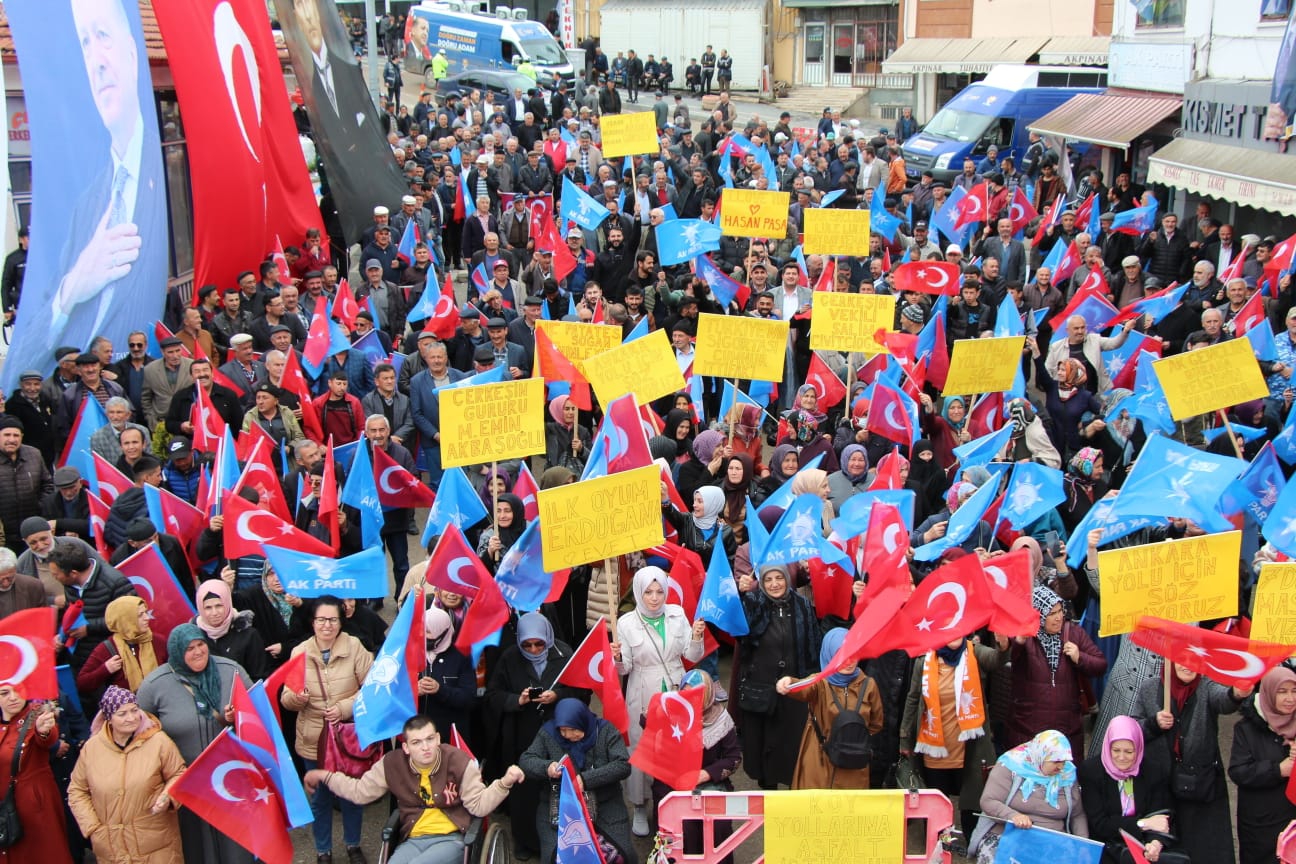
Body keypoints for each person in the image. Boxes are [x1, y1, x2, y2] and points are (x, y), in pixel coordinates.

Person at [42, 0, 166, 355]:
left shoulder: (158, 183)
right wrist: (69, 292)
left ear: (131, 51)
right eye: (85, 43)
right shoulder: (88, 205)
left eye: (102, 36)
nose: (96, 61)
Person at [303, 715, 524, 864]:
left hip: (452, 839)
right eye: (417, 742)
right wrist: (326, 775)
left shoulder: (458, 761)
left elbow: (478, 805)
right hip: (413, 838)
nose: (426, 747)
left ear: (438, 739)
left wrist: (504, 782)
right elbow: (360, 792)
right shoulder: (392, 764)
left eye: (430, 739)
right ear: (406, 747)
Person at [136, 622, 253, 864]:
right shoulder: (154, 686)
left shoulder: (231, 671)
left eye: (201, 645)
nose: (198, 651)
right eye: (189, 648)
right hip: (187, 784)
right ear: (177, 651)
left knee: (237, 847)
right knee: (196, 848)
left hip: (231, 779)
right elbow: (142, 737)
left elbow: (259, 718)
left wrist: (238, 717)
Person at [612, 567, 705, 836]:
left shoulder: (677, 615)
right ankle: (640, 806)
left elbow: (691, 654)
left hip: (676, 688)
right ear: (639, 593)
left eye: (659, 591)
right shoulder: (626, 622)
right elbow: (625, 669)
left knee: (677, 746)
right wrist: (616, 657)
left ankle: (676, 800)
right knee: (642, 750)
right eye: (648, 592)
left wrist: (697, 636)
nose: (654, 597)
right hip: (643, 692)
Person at [280, 596, 373, 863]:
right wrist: (297, 699)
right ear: (312, 622)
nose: (327, 625)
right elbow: (287, 697)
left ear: (341, 621)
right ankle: (323, 850)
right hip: (313, 738)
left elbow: (372, 689)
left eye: (333, 619)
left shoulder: (354, 647)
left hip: (347, 738)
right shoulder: (299, 652)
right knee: (320, 799)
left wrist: (344, 708)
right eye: (321, 620)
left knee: (351, 796)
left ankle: (353, 845)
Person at [485, 612, 577, 859]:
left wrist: (558, 695)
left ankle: (561, 839)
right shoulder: (509, 658)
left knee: (557, 786)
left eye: (539, 644)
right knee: (524, 789)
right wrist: (518, 699)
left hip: (558, 731)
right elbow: (493, 695)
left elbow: (581, 690)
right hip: (521, 733)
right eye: (527, 645)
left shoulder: (563, 653)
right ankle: (524, 841)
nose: (534, 650)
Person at [1134, 661, 1244, 864]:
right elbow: (1133, 728)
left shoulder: (1206, 686)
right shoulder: (1149, 688)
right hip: (1162, 784)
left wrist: (1236, 693)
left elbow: (1224, 701)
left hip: (1202, 786)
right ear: (1171, 662)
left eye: (1194, 660)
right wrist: (1154, 723)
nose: (1188, 666)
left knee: (1205, 850)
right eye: (1182, 661)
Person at [899, 635, 1007, 837]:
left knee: (971, 800)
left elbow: (996, 659)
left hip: (968, 748)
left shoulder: (974, 652)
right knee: (937, 800)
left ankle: (972, 842)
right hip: (934, 747)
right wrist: (904, 738)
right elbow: (912, 699)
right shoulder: (924, 660)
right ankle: (938, 845)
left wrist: (1003, 645)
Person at [68, 687, 183, 864]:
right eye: (122, 714)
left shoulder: (159, 742)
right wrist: (93, 828)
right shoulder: (92, 749)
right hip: (111, 848)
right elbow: (77, 791)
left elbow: (179, 774)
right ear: (109, 719)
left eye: (134, 710)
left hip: (156, 844)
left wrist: (168, 796)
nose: (131, 718)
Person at [519, 698, 636, 864]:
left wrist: (586, 779)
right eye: (563, 730)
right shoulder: (548, 733)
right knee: (557, 857)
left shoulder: (604, 731)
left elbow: (623, 765)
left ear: (583, 721)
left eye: (573, 729)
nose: (568, 735)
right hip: (559, 806)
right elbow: (526, 760)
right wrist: (547, 767)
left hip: (605, 804)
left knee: (622, 854)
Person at [736, 565, 821, 790]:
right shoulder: (753, 603)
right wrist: (742, 594)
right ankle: (769, 788)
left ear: (787, 579)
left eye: (779, 578)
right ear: (761, 582)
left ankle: (793, 788)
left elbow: (814, 642)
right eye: (769, 579)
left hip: (795, 688)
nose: (774, 584)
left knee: (793, 741)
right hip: (762, 688)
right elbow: (739, 632)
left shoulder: (802, 605)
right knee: (766, 744)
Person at [776, 627, 884, 789]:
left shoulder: (869, 685)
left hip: (853, 764)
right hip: (819, 763)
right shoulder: (820, 683)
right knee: (815, 809)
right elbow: (802, 688)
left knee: (849, 811)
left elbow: (876, 724)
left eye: (853, 654)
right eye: (841, 655)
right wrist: (788, 682)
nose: (849, 661)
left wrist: (853, 738)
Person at [969, 730, 1089, 863]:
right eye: (1056, 761)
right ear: (1041, 755)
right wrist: (1013, 816)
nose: (1061, 766)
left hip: (1052, 838)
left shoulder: (1067, 774)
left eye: (1064, 761)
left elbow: (1077, 815)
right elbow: (988, 801)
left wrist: (1083, 844)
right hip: (1008, 833)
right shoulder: (1011, 765)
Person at [1078, 716, 1179, 864]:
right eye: (1116, 750)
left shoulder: (1153, 771)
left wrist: (1155, 844)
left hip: (1142, 847)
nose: (1121, 757)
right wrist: (1143, 824)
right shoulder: (1091, 771)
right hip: (1106, 850)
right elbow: (1100, 825)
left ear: (1138, 748)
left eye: (1129, 752)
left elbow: (1160, 816)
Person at [1230, 666, 1296, 864]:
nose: (1290, 698)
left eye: (1294, 691)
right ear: (1268, 692)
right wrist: (1278, 770)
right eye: (1282, 692)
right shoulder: (1247, 729)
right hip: (1260, 825)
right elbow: (1238, 771)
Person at [0, 684, 72, 864]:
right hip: (5, 809)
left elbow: (47, 738)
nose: (13, 697)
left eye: (18, 690)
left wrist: (44, 730)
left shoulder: (36, 714)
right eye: (4, 693)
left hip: (35, 807)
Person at [76, 595, 167, 696]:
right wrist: (105, 669)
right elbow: (82, 684)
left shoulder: (158, 641)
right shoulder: (107, 648)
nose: (147, 618)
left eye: (146, 612)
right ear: (126, 619)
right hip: (129, 710)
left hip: (163, 703)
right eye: (140, 615)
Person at [416, 606, 476, 740]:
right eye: (422, 630)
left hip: (447, 734)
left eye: (429, 632)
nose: (424, 636)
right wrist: (412, 692)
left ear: (443, 632)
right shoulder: (409, 652)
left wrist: (440, 690)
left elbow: (469, 698)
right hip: (415, 732)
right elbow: (392, 693)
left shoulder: (461, 656)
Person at [193, 578, 266, 681]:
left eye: (219, 606)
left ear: (228, 603)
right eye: (208, 608)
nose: (214, 613)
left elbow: (259, 677)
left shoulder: (248, 635)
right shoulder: (194, 638)